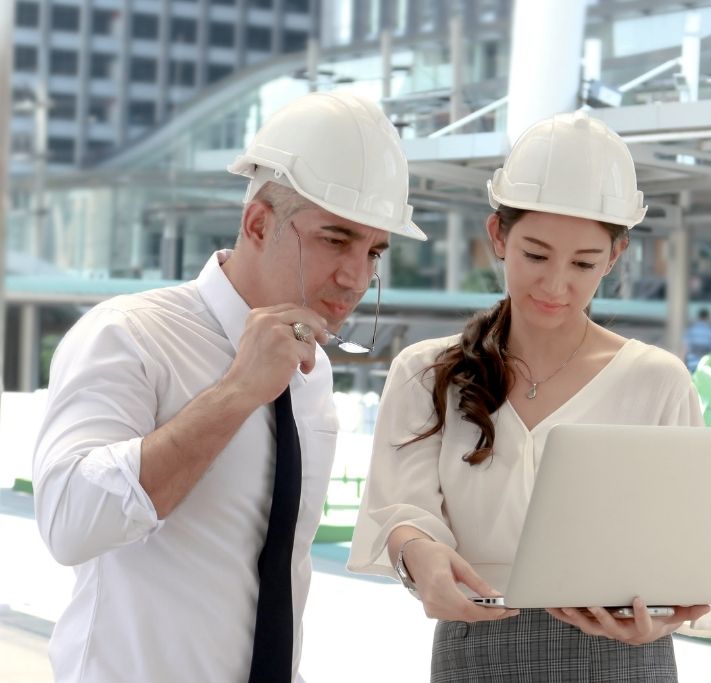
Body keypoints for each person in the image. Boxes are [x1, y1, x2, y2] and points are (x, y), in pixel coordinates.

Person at [32, 92, 426, 682]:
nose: (356, 276)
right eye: (335, 239)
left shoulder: (311, 375)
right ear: (259, 223)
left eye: (374, 251)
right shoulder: (129, 335)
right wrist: (238, 391)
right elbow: (69, 523)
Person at [348, 111, 711, 681]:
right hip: (480, 648)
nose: (556, 285)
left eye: (583, 263)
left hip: (624, 656)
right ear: (497, 236)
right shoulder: (424, 372)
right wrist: (417, 556)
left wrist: (665, 618)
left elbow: (691, 555)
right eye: (535, 255)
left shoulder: (656, 380)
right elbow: (401, 512)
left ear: (616, 256)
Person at [684, 307, 711, 373]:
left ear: (699, 317)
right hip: (707, 364)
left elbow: (685, 348)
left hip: (692, 363)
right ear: (708, 317)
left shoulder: (691, 330)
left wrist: (683, 362)